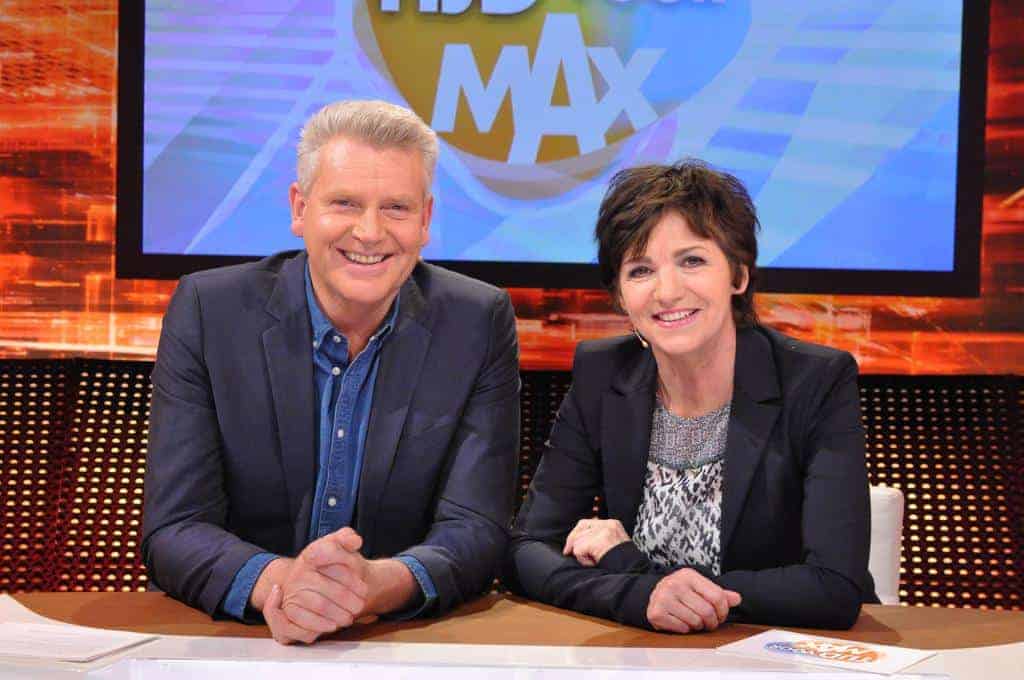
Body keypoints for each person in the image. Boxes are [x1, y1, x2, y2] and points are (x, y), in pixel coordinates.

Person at [142, 100, 520, 644]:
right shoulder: (209, 311)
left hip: (393, 643)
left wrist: (374, 586)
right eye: (345, 203)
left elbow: (477, 529)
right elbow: (175, 527)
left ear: (425, 221)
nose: (369, 232)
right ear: (300, 208)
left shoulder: (477, 322)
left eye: (396, 208)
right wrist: (282, 585)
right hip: (238, 639)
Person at [506, 160, 877, 633]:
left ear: (738, 275)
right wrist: (638, 596)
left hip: (779, 651)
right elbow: (525, 550)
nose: (667, 291)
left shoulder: (816, 381)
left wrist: (632, 568)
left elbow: (833, 588)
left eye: (692, 261)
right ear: (620, 296)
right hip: (645, 653)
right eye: (641, 270)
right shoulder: (603, 375)